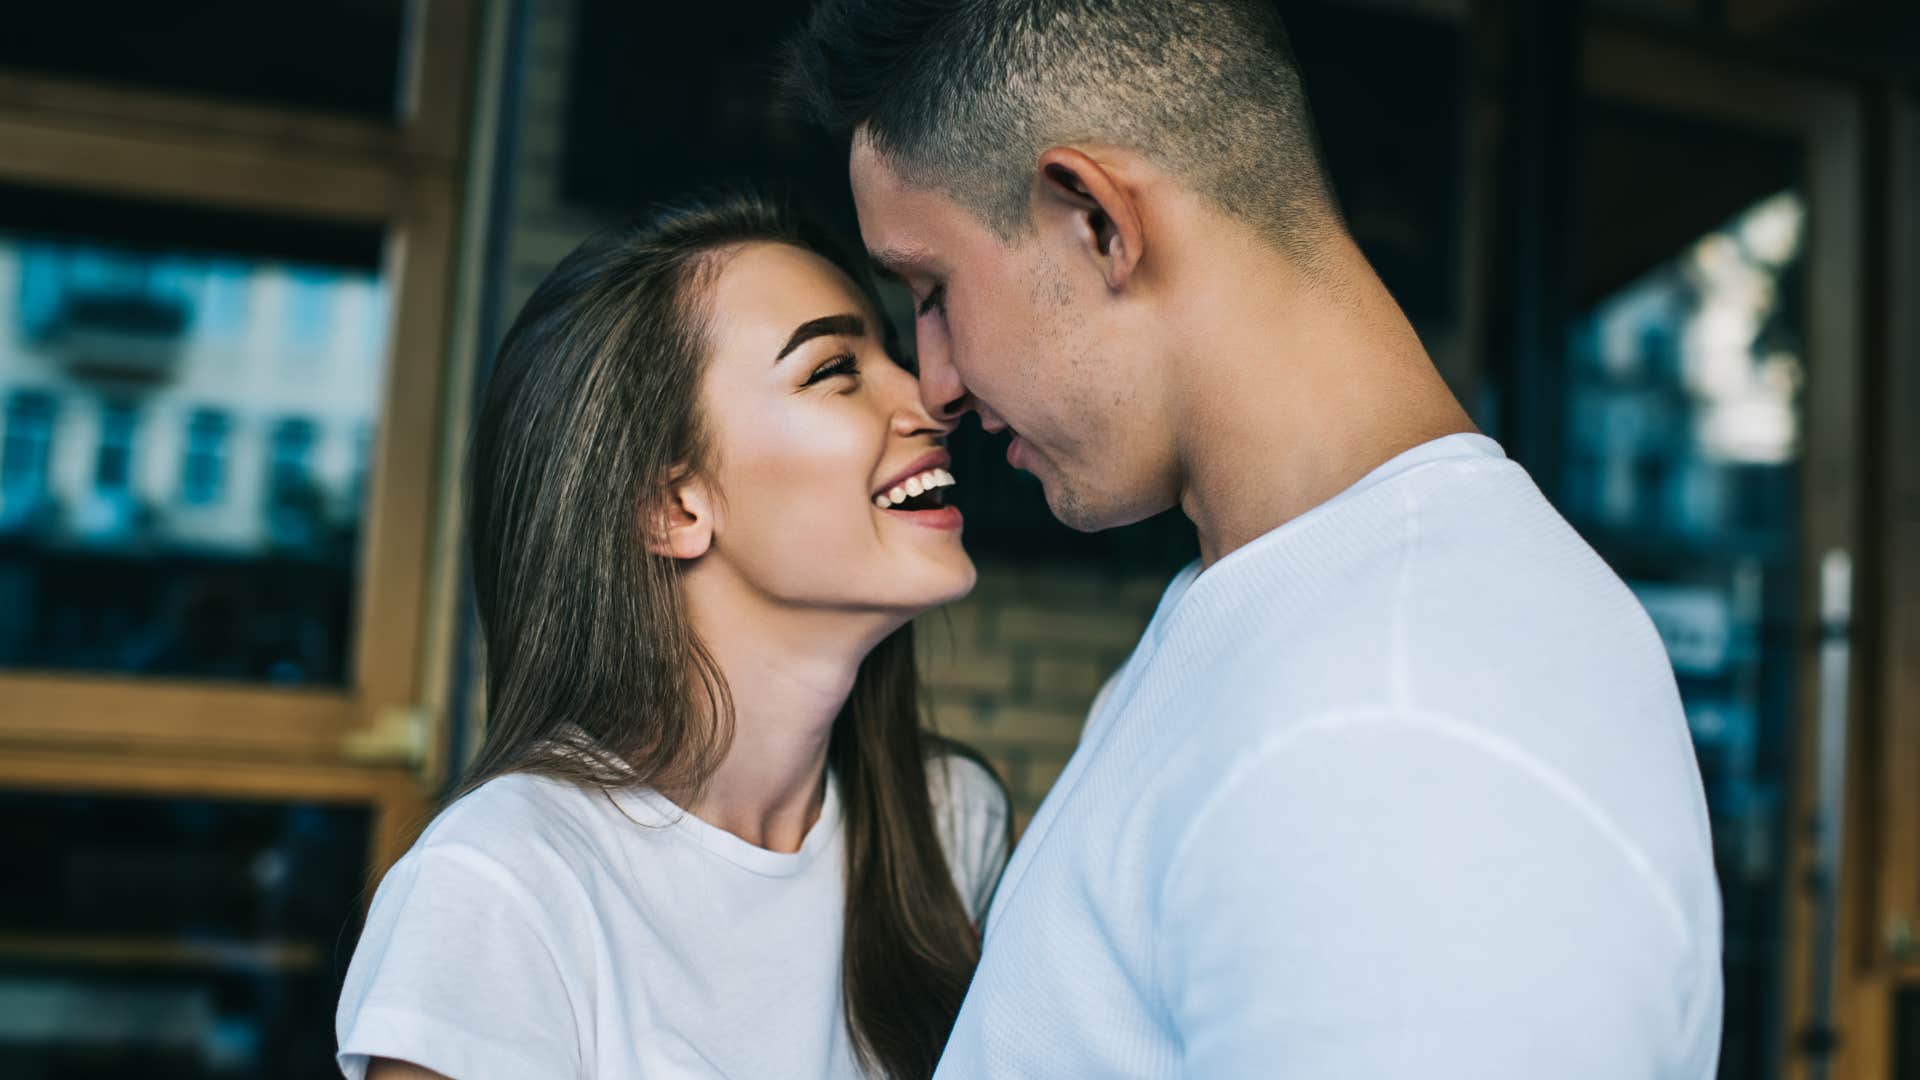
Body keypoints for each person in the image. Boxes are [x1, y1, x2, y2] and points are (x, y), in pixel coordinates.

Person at [785, 2, 1724, 1076]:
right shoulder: (1277, 608)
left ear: (1095, 220)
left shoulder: (1403, 728)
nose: (937, 381)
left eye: (933, 291)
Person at [334, 193, 1011, 1080]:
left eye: (891, 352)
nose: (929, 397)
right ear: (673, 504)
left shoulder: (950, 821)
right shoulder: (500, 886)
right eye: (834, 370)